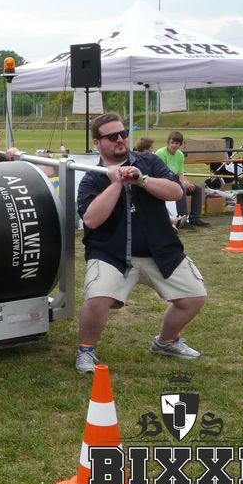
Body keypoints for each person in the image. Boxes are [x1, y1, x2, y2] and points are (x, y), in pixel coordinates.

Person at [75, 113, 206, 374]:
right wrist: (116, 183)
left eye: (123, 134)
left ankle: (165, 342)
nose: (120, 139)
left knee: (194, 297)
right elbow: (91, 220)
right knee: (97, 300)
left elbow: (176, 191)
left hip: (160, 250)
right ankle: (86, 351)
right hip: (111, 253)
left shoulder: (149, 162)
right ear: (97, 143)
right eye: (112, 136)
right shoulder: (92, 178)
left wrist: (142, 180)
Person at [155, 131, 210, 229]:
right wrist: (182, 183)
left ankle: (195, 218)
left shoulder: (180, 154)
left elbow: (180, 173)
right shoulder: (160, 153)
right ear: (168, 142)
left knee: (197, 188)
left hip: (175, 181)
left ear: (180, 145)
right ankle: (181, 219)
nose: (174, 145)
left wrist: (187, 183)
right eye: (172, 142)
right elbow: (162, 175)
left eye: (177, 143)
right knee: (181, 188)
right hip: (163, 182)